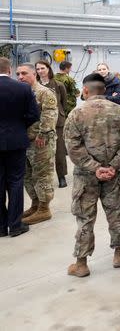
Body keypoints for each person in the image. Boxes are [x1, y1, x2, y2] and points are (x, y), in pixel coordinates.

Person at [64, 72, 120, 277]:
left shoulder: (76, 114)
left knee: (85, 217)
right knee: (116, 212)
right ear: (104, 90)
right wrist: (113, 165)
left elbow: (73, 147)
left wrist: (94, 167)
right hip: (114, 174)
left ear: (85, 90)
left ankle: (81, 263)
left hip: (86, 176)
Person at [0, 57, 40, 237]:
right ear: (9, 70)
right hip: (16, 140)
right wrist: (19, 126)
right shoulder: (23, 88)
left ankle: (1, 227)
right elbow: (33, 114)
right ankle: (15, 225)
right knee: (16, 182)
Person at [16, 63, 59, 225]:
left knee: (42, 175)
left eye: (24, 73)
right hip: (24, 141)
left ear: (34, 74)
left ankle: (44, 208)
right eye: (18, 74)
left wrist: (43, 134)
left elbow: (49, 116)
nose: (20, 77)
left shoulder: (43, 93)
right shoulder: (21, 93)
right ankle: (35, 204)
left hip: (41, 142)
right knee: (28, 175)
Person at [36, 61, 69, 188]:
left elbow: (63, 103)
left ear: (48, 69)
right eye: (37, 69)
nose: (40, 71)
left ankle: (61, 176)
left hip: (57, 122)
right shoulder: (35, 86)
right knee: (42, 151)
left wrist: (59, 114)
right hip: (40, 121)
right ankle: (43, 178)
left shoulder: (58, 85)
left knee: (59, 151)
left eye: (42, 68)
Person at [96, 63, 120, 176]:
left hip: (116, 116)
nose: (102, 71)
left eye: (104, 69)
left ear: (108, 70)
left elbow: (118, 99)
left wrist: (102, 98)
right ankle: (112, 167)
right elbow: (87, 97)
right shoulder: (95, 83)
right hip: (101, 116)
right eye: (99, 69)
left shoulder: (118, 83)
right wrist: (109, 96)